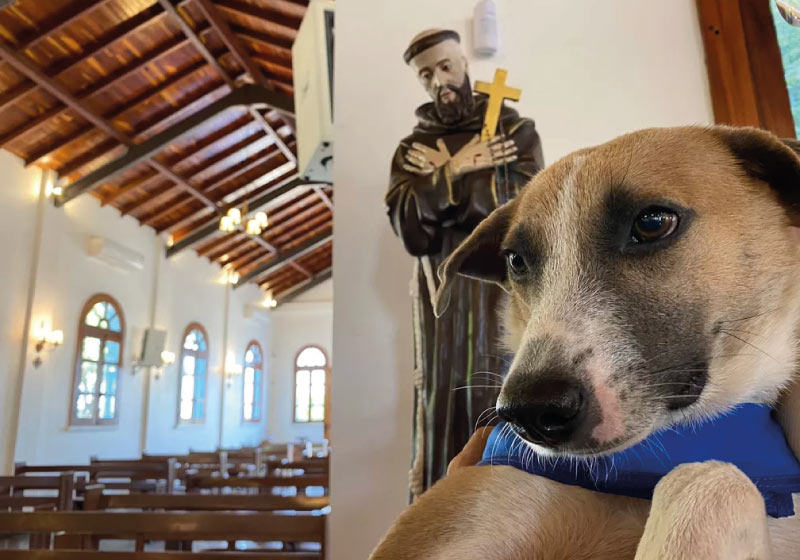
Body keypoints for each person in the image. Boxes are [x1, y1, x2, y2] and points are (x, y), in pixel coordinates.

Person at [385, 28, 544, 496]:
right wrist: (459, 168)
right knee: (443, 394)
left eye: (446, 66)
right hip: (443, 299)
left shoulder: (513, 127)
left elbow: (524, 208)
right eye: (426, 74)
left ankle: (510, 502)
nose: (440, 81)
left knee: (502, 386)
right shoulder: (412, 148)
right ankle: (440, 503)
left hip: (501, 290)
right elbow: (411, 228)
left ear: (464, 63)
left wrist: (439, 187)